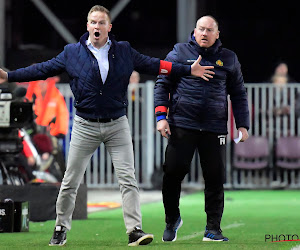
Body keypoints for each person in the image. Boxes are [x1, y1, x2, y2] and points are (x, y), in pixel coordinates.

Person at [0, 5, 215, 247]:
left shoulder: (123, 50)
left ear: (109, 28)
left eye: (102, 22)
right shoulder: (72, 52)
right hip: (84, 125)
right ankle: (60, 227)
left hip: (117, 124)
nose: (97, 26)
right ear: (87, 26)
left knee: (128, 179)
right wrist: (9, 76)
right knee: (70, 180)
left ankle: (134, 230)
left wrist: (188, 70)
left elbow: (156, 65)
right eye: (93, 22)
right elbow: (42, 69)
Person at [154, 15, 249, 242]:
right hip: (181, 125)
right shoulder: (178, 53)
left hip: (214, 128)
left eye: (209, 30)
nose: (204, 34)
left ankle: (213, 229)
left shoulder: (229, 59)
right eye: (201, 29)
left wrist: (243, 125)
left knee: (215, 178)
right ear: (194, 31)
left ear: (217, 34)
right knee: (172, 174)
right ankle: (172, 219)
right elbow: (162, 84)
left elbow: (238, 94)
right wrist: (161, 117)